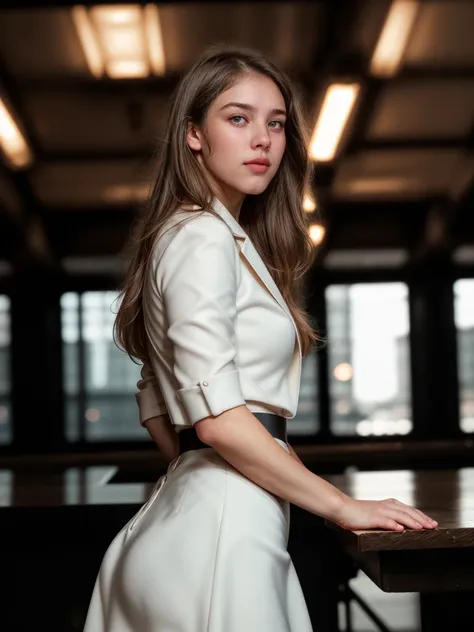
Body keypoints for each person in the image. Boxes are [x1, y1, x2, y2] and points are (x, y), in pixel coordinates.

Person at [83, 46, 437, 632]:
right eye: (238, 118)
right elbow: (219, 421)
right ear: (193, 134)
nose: (263, 140)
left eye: (276, 123)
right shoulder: (202, 236)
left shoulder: (207, 235)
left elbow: (161, 404)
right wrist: (342, 506)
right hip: (220, 532)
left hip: (198, 518)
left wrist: (213, 473)